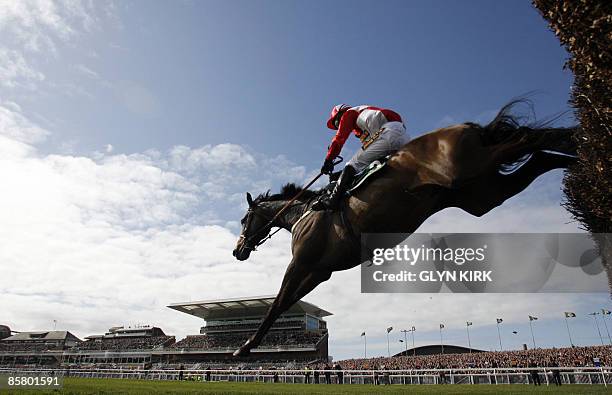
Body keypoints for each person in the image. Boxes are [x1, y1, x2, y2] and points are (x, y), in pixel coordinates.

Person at [312, 104, 410, 211]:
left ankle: (332, 200)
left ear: (341, 113)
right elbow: (368, 158)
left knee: (351, 164)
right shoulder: (366, 123)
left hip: (388, 133)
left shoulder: (349, 113)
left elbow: (339, 138)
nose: (338, 126)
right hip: (403, 136)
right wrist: (341, 174)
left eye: (336, 123)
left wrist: (329, 160)